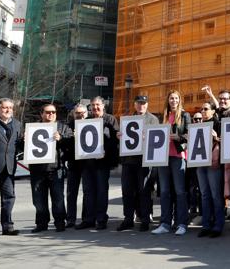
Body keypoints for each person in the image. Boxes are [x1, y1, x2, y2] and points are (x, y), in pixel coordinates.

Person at [75, 96, 119, 230]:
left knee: (101, 191)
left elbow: (115, 139)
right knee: (88, 192)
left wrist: (107, 151)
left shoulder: (110, 119)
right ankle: (88, 219)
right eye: (93, 105)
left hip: (102, 163)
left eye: (98, 105)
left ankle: (101, 219)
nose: (95, 108)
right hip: (88, 163)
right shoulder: (86, 121)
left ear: (103, 105)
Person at [117, 95, 159, 232]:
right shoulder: (127, 119)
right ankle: (128, 219)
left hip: (144, 161)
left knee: (144, 191)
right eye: (139, 103)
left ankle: (145, 219)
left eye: (144, 103)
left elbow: (157, 139)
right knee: (127, 191)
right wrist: (120, 136)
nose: (141, 105)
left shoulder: (153, 119)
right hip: (128, 161)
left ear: (147, 105)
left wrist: (147, 137)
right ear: (135, 104)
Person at [203, 85, 230, 231]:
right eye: (220, 99)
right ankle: (217, 220)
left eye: (225, 99)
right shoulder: (217, 113)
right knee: (218, 191)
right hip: (217, 157)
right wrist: (210, 94)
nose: (222, 101)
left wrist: (218, 138)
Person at [152, 90, 190, 236]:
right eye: (171, 98)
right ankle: (165, 223)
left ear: (179, 100)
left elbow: (190, 134)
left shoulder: (185, 115)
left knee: (180, 191)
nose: (173, 101)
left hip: (178, 156)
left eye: (176, 98)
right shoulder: (164, 116)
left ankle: (181, 223)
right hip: (163, 157)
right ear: (167, 101)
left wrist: (178, 137)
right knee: (165, 192)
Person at [29, 104, 72, 233]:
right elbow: (22, 146)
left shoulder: (63, 127)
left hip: (56, 169)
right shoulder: (32, 127)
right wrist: (24, 140)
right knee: (38, 199)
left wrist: (62, 139)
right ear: (41, 114)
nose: (51, 114)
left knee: (58, 198)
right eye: (47, 112)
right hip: (37, 169)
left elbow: (71, 144)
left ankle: (60, 222)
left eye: (53, 112)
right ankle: (41, 223)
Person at [0, 98, 23, 237]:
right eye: (4, 107)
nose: (8, 110)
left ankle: (7, 226)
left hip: (9, 167)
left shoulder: (18, 124)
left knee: (9, 197)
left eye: (10, 108)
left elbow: (19, 145)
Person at [196, 102, 224, 238]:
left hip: (213, 162)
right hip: (200, 163)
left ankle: (218, 225)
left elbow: (227, 141)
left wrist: (216, 137)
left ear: (213, 111)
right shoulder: (198, 124)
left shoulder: (218, 124)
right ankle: (206, 225)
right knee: (205, 195)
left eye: (206, 109)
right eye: (201, 109)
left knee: (215, 195)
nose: (202, 111)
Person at [64, 104, 87, 228]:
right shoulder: (68, 127)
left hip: (87, 164)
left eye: (83, 112)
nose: (80, 115)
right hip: (73, 164)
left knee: (87, 193)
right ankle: (70, 219)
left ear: (87, 113)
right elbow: (65, 144)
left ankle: (85, 218)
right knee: (71, 193)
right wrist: (73, 137)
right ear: (73, 114)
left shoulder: (91, 124)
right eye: (78, 113)